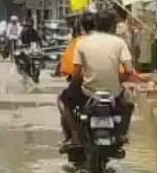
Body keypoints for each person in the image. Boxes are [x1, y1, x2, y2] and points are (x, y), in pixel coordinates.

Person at [73, 8, 135, 142]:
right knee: (129, 102)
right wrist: (119, 80)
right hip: (114, 92)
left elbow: (76, 73)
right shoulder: (119, 42)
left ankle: (74, 136)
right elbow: (129, 70)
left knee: (65, 101)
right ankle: (122, 134)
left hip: (88, 92)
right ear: (113, 25)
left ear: (95, 24)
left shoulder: (82, 42)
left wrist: (77, 81)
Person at [58, 10, 98, 148]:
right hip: (108, 88)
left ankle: (74, 135)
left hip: (84, 87)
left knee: (62, 100)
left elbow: (71, 70)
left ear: (81, 26)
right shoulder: (112, 41)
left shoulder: (77, 43)